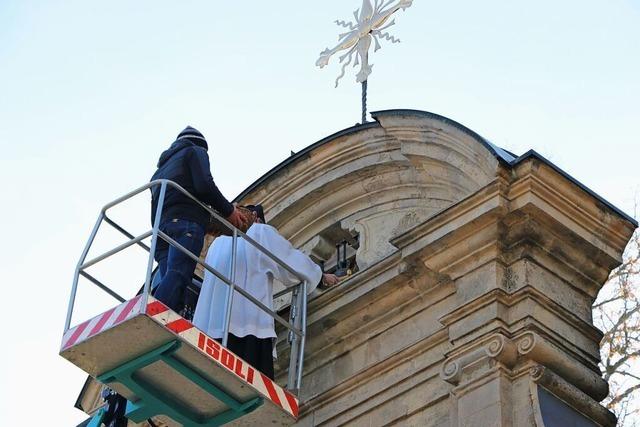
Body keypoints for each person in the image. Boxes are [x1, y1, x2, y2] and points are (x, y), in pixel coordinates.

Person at [193, 205, 339, 379]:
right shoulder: (259, 231)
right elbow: (290, 261)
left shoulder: (216, 244)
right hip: (245, 331)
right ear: (255, 217)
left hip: (207, 332)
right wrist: (320, 275)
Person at [150, 126, 248, 312]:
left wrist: (205, 218)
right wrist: (228, 211)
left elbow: (161, 207)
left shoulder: (159, 172)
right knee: (179, 275)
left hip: (161, 231)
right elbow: (204, 185)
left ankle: (166, 317)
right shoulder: (195, 151)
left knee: (171, 281)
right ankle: (154, 316)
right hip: (185, 225)